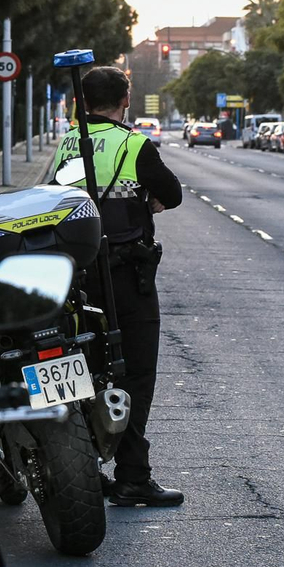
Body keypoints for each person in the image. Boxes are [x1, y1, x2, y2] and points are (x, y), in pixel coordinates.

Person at [50, 66, 184, 507]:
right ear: (126, 99)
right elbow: (173, 193)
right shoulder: (134, 144)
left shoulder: (69, 142)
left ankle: (81, 465)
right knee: (137, 372)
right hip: (126, 276)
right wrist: (147, 198)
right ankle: (132, 474)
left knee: (82, 370)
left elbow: (55, 197)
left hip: (78, 276)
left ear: (83, 103)